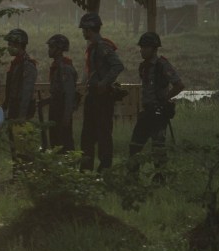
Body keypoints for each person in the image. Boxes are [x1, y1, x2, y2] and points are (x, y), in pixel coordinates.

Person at [128, 31, 184, 182]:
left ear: (154, 49)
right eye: (141, 47)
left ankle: (160, 178)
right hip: (147, 112)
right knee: (134, 146)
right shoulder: (144, 67)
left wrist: (165, 99)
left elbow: (179, 85)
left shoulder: (162, 65)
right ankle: (132, 178)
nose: (142, 50)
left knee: (158, 149)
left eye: (145, 47)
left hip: (159, 113)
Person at [79, 12, 125, 172]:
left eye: (84, 29)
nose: (83, 32)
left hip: (102, 97)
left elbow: (118, 66)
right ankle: (86, 169)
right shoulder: (92, 47)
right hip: (93, 96)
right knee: (87, 135)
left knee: (103, 134)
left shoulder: (102, 46)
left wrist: (103, 83)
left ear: (90, 29)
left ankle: (104, 169)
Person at [4, 28, 38, 172]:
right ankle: (17, 173)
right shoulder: (16, 64)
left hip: (21, 110)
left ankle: (26, 174)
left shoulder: (27, 65)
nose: (8, 47)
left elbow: (27, 92)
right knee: (14, 143)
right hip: (13, 108)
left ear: (18, 45)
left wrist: (22, 115)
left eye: (11, 44)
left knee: (22, 144)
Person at [43, 34, 78, 152]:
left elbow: (69, 94)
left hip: (61, 109)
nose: (49, 50)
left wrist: (67, 116)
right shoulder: (56, 66)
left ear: (59, 50)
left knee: (64, 142)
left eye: (52, 47)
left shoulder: (65, 68)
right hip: (56, 107)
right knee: (55, 141)